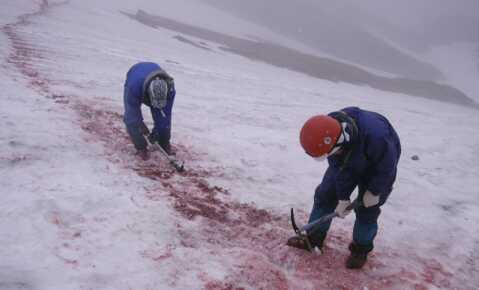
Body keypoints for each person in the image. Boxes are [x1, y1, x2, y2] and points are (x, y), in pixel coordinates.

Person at [288, 107, 401, 269]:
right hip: (349, 157)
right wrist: (343, 197)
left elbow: (387, 168)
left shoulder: (378, 137)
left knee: (367, 209)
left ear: (340, 142)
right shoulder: (328, 130)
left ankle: (360, 249)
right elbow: (338, 169)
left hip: (377, 166)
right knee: (325, 195)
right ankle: (313, 238)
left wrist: (375, 191)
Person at [123, 62, 176, 160]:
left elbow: (165, 117)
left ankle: (164, 144)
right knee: (132, 120)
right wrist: (141, 145)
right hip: (135, 75)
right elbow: (131, 119)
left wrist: (159, 136)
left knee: (163, 121)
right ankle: (141, 149)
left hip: (150, 76)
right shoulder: (133, 88)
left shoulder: (170, 89)